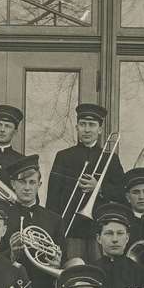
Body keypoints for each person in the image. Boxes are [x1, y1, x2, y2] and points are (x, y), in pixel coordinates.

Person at [47, 103, 125, 262]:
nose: (87, 129)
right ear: (77, 127)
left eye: (92, 125)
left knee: (99, 272)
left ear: (100, 129)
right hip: (70, 229)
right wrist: (53, 231)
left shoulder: (110, 158)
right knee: (72, 272)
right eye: (83, 125)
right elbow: (53, 197)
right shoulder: (63, 157)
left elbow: (122, 193)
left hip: (99, 230)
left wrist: (99, 188)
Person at [3, 154, 65, 288]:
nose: (27, 187)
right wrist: (11, 253)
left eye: (32, 182)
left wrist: (57, 263)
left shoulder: (54, 220)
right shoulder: (3, 217)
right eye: (22, 182)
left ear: (39, 185)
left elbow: (62, 259)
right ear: (13, 184)